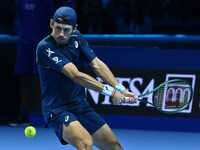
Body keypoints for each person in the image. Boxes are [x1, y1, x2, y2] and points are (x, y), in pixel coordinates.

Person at [36, 6, 137, 149]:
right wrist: (111, 93)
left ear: (74, 28)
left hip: (80, 105)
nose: (61, 34)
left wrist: (121, 89)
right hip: (57, 109)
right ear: (51, 23)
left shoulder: (77, 38)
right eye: (58, 28)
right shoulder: (45, 47)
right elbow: (75, 75)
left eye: (66, 30)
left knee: (115, 147)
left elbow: (96, 64)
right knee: (85, 143)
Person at [9, 0, 67, 126]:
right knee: (23, 78)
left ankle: (48, 116)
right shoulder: (21, 2)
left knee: (42, 81)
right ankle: (24, 115)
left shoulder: (47, 2)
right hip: (24, 44)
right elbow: (21, 19)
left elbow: (54, 23)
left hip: (41, 45)